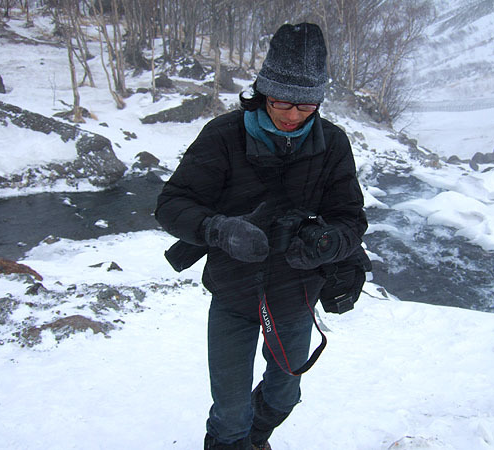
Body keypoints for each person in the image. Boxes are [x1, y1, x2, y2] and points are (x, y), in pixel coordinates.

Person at [155, 22, 367, 450]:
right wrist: (218, 229)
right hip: (234, 296)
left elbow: (350, 220)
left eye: (305, 106)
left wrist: (326, 242)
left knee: (284, 394)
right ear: (262, 92)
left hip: (296, 295)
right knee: (230, 411)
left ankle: (253, 440)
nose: (292, 116)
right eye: (281, 102)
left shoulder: (332, 144)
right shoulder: (224, 136)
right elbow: (171, 204)